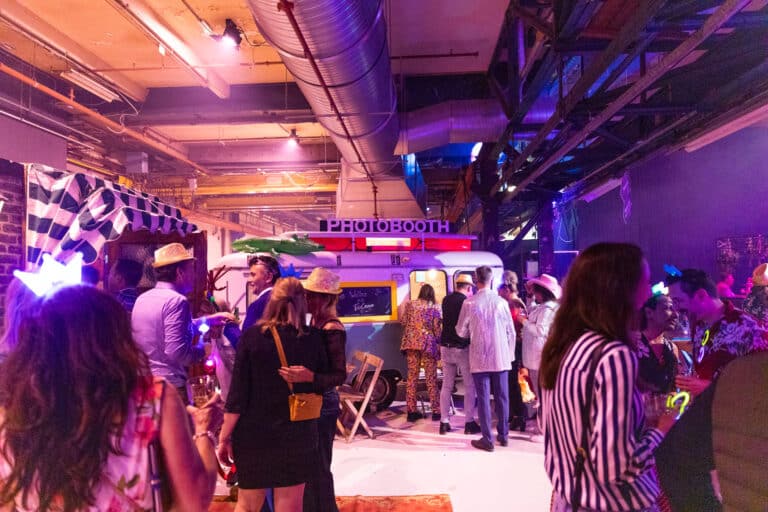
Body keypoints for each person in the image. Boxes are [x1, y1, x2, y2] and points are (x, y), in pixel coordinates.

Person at [0, 284, 221, 511]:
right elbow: (194, 502)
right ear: (112, 336)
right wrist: (205, 431)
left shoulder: (11, 409)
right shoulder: (152, 398)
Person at [540, 243, 676, 512]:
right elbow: (616, 467)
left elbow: (566, 429)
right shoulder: (613, 355)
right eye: (644, 281)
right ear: (620, 289)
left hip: (569, 499)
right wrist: (661, 428)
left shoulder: (562, 346)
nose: (648, 291)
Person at [658, 269, 768, 511]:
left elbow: (761, 384)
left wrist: (711, 388)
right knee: (672, 458)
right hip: (710, 412)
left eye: (679, 301)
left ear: (700, 295)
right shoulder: (700, 326)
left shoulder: (747, 327)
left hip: (736, 420)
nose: (676, 309)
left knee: (675, 459)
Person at [218, 278, 328, 512]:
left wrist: (224, 437)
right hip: (297, 433)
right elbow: (323, 384)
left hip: (253, 435)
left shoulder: (252, 337)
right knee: (290, 506)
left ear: (272, 301)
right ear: (302, 301)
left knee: (247, 505)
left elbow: (238, 395)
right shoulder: (314, 338)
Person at [278, 267, 347, 512]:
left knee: (319, 466)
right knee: (310, 464)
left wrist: (311, 376)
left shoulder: (332, 328)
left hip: (324, 403)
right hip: (312, 401)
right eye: (307, 295)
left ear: (327, 299)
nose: (308, 299)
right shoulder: (314, 322)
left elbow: (339, 375)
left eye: (314, 295)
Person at [132, 243, 233, 402]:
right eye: (191, 269)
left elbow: (166, 330)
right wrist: (202, 349)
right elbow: (176, 352)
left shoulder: (142, 299)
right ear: (180, 272)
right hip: (168, 385)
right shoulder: (177, 301)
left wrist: (208, 320)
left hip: (143, 382)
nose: (194, 276)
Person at [456, 266, 515, 452]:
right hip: (501, 357)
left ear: (476, 280)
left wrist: (471, 332)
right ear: (492, 279)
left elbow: (460, 331)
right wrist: (510, 356)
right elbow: (511, 332)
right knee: (502, 398)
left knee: (483, 398)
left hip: (479, 357)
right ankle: (504, 436)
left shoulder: (469, 303)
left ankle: (487, 439)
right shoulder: (501, 302)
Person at [438, 274, 481, 435]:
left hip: (445, 346)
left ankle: (444, 422)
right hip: (461, 347)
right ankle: (469, 422)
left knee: (446, 385)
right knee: (469, 385)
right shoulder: (467, 302)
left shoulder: (446, 300)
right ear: (469, 287)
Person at [400, 283, 442, 422]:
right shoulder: (434, 307)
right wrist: (439, 343)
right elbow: (436, 329)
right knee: (431, 378)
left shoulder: (410, 304)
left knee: (412, 377)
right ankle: (436, 411)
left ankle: (411, 411)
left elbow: (403, 321)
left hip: (411, 343)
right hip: (428, 344)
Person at [521, 273, 560, 404]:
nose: (535, 294)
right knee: (538, 388)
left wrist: (524, 322)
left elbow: (541, 330)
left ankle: (543, 411)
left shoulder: (548, 309)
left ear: (543, 293)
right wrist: (529, 296)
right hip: (535, 355)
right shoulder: (543, 307)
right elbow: (532, 309)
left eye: (536, 292)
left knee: (540, 389)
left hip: (538, 355)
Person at [498, 282, 527, 432]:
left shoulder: (514, 304)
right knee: (513, 381)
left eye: (500, 291)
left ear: (506, 290)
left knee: (513, 382)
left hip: (515, 346)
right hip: (515, 345)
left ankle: (519, 414)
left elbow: (514, 326)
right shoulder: (515, 303)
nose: (499, 294)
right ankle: (517, 414)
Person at [637, 294, 680, 394]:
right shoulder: (633, 344)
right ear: (649, 313)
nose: (676, 315)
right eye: (668, 308)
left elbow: (673, 388)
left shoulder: (672, 348)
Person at [242, 254, 281, 330]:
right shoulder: (284, 301)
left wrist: (230, 325)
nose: (249, 279)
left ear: (268, 277)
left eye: (253, 275)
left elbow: (245, 337)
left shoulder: (257, 306)